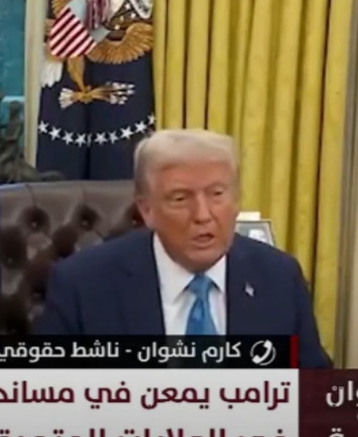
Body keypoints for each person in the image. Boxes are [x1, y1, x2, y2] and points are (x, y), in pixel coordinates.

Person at [33, 129, 331, 368]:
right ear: (147, 210)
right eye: (180, 198)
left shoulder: (279, 277)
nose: (203, 215)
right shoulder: (83, 286)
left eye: (216, 194)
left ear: (236, 201)